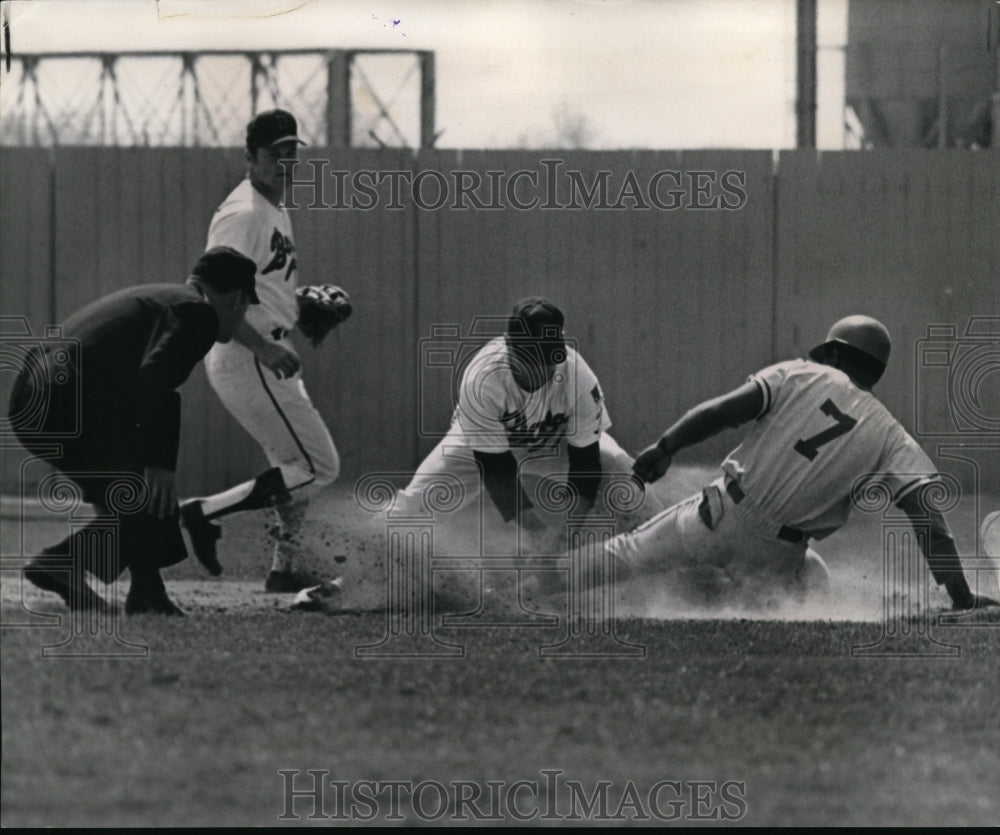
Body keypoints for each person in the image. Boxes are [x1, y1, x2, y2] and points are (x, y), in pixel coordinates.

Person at [584, 314, 999, 611]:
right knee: (808, 581)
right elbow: (931, 523)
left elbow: (719, 414)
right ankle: (734, 600)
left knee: (628, 553)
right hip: (776, 555)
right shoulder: (893, 435)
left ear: (835, 355)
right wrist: (961, 598)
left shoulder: (801, 373)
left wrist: (665, 446)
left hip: (723, 513)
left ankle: (536, 582)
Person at [8, 247, 259, 615]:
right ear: (236, 298)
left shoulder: (166, 298)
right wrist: (161, 465)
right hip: (70, 399)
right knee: (149, 487)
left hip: (34, 398)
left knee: (131, 494)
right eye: (246, 307)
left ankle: (145, 591)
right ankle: (65, 563)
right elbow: (155, 381)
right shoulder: (197, 312)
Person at [179, 109, 344, 593]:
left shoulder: (273, 207)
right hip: (248, 357)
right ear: (250, 157)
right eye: (276, 153)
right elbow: (206, 289)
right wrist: (265, 348)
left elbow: (258, 285)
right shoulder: (245, 213)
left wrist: (300, 306)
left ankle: (284, 567)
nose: (286, 162)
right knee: (318, 467)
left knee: (292, 472)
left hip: (267, 352)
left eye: (293, 152)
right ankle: (200, 513)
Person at [391, 297, 659, 551]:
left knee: (625, 477)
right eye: (534, 356)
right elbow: (497, 472)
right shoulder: (483, 380)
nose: (544, 367)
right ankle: (372, 567)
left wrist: (566, 534)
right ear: (510, 346)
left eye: (550, 356)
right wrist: (540, 535)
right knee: (414, 506)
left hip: (554, 441)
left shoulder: (578, 376)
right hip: (482, 446)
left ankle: (663, 553)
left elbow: (586, 463)